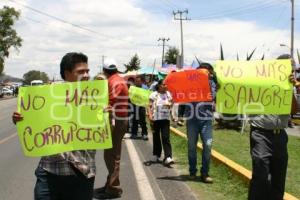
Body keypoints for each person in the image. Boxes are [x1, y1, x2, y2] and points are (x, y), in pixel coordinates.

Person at [12, 52, 96, 200]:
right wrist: (20, 119)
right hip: (50, 172)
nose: (87, 75)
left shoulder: (96, 98)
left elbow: (106, 136)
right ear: (67, 73)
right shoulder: (48, 96)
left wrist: (108, 118)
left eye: (88, 71)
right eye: (81, 71)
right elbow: (33, 122)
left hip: (82, 174)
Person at [248, 54, 298, 200]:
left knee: (278, 178)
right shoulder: (260, 81)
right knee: (261, 174)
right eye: (289, 66)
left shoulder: (288, 85)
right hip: (260, 134)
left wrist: (291, 89)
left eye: (293, 67)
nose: (292, 70)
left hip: (280, 136)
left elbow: (293, 111)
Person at [94, 58, 128, 199]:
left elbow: (109, 101)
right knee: (110, 154)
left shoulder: (113, 82)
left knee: (112, 155)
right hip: (118, 119)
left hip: (116, 120)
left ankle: (113, 188)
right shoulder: (119, 80)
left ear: (104, 71)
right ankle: (110, 184)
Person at [185, 63, 217, 183]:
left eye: (208, 72)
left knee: (208, 146)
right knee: (192, 147)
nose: (206, 74)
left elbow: (214, 98)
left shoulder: (214, 85)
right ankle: (192, 171)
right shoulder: (190, 84)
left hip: (206, 121)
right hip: (192, 120)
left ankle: (205, 173)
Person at [148, 80, 174, 165]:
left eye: (166, 84)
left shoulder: (168, 94)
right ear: (159, 86)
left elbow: (171, 103)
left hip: (165, 119)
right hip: (155, 119)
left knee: (165, 137)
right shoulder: (153, 94)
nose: (165, 86)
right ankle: (156, 154)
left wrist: (170, 104)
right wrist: (150, 115)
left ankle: (168, 157)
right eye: (163, 84)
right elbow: (149, 105)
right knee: (156, 137)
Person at [131, 76, 148, 140]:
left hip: (142, 106)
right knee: (135, 120)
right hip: (134, 106)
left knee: (143, 120)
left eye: (139, 81)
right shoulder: (132, 88)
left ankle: (144, 134)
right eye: (136, 81)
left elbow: (147, 96)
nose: (137, 82)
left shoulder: (145, 88)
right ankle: (134, 133)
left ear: (141, 81)